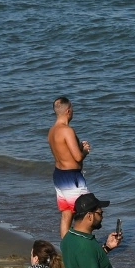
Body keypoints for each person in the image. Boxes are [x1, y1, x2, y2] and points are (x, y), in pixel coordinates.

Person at [48, 96, 92, 236]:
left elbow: (64, 153)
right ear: (68, 111)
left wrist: (78, 148)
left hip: (59, 175)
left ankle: (66, 248)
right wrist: (84, 151)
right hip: (71, 176)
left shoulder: (52, 131)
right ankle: (81, 245)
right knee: (87, 210)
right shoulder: (67, 130)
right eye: (72, 109)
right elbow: (77, 157)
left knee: (67, 214)